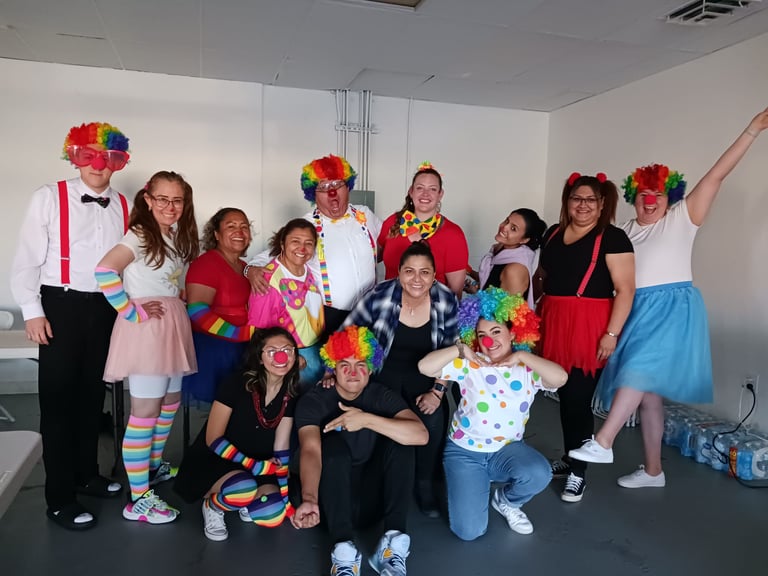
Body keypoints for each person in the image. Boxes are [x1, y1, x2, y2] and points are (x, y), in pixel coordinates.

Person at [568, 108, 768, 488]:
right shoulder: (622, 231)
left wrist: (752, 130)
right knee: (649, 397)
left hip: (672, 308)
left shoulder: (682, 218)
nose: (650, 199)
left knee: (637, 372)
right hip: (633, 309)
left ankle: (604, 440)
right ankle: (654, 471)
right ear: (633, 197)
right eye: (643, 193)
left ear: (669, 196)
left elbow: (717, 174)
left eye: (657, 193)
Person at [10, 121, 132, 530]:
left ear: (118, 161)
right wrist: (32, 310)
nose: (98, 165)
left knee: (90, 397)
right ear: (74, 156)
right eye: (89, 155)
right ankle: (59, 497)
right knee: (59, 403)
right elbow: (27, 255)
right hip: (59, 303)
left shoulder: (124, 204)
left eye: (108, 156)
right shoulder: (48, 197)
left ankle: (86, 474)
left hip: (106, 307)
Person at [418, 287, 567, 541]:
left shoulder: (526, 367)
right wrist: (460, 349)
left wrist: (521, 356)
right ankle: (471, 484)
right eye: (481, 334)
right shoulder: (471, 363)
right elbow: (425, 366)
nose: (489, 341)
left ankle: (506, 501)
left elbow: (560, 378)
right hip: (465, 453)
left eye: (496, 331)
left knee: (539, 472)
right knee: (469, 532)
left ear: (514, 332)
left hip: (506, 450)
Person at [96, 170, 199, 523]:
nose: (171, 207)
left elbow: (167, 279)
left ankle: (151, 469)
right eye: (163, 199)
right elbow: (105, 272)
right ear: (148, 200)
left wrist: (177, 297)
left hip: (170, 324)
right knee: (145, 413)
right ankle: (138, 499)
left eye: (177, 200)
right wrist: (131, 311)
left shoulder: (171, 235)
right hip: (149, 330)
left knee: (169, 403)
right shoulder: (139, 234)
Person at [292, 326, 428, 576]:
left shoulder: (380, 395)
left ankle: (392, 543)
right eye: (345, 364)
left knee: (402, 438)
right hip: (327, 508)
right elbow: (310, 451)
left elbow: (420, 435)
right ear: (332, 367)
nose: (353, 371)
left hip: (371, 505)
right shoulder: (315, 400)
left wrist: (366, 420)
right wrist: (310, 499)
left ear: (371, 367)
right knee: (330, 443)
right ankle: (343, 553)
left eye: (360, 363)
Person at [534, 172, 635, 503]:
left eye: (590, 199)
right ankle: (570, 456)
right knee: (563, 395)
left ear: (602, 203)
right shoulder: (553, 233)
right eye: (577, 198)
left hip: (589, 325)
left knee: (578, 397)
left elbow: (625, 289)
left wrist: (611, 333)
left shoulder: (614, 238)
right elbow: (543, 275)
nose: (583, 205)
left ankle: (579, 472)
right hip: (554, 319)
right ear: (568, 201)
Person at [341, 241, 458, 517]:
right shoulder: (379, 296)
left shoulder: (446, 300)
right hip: (383, 377)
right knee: (381, 430)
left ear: (433, 274)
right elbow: (347, 335)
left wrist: (437, 392)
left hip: (427, 379)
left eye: (424, 272)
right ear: (399, 272)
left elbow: (453, 351)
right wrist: (332, 374)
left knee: (431, 423)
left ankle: (424, 483)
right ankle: (383, 483)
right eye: (409, 271)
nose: (417, 279)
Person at [174, 327, 298, 541]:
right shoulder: (236, 384)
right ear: (260, 358)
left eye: (288, 349)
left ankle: (244, 499)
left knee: (273, 514)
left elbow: (281, 447)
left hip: (260, 464)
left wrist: (286, 500)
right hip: (217, 461)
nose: (281, 356)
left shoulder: (291, 393)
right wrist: (253, 465)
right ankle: (214, 506)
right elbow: (213, 439)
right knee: (242, 488)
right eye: (272, 351)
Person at [248, 155, 382, 336]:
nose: (332, 192)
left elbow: (388, 247)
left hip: (369, 311)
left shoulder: (365, 216)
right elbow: (269, 256)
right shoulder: (305, 225)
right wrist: (251, 270)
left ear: (348, 186)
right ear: (313, 194)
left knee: (366, 361)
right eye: (323, 187)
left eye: (337, 184)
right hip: (329, 315)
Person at [184, 208, 253, 406]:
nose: (239, 232)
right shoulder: (206, 264)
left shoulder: (245, 266)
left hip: (243, 348)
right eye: (231, 227)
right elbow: (197, 312)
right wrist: (238, 334)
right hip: (215, 350)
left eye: (244, 227)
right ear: (216, 234)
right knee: (223, 410)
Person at [247, 218, 324, 389]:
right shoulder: (268, 279)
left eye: (308, 243)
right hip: (292, 361)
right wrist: (291, 357)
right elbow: (260, 331)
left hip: (316, 354)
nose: (302, 248)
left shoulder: (310, 271)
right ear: (282, 243)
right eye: (295, 241)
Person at [378, 162, 469, 298]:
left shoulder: (453, 234)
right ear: (411, 191)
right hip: (389, 305)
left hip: (431, 312)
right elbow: (370, 259)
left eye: (432, 189)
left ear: (440, 194)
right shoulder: (392, 222)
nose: (425, 194)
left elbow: (455, 294)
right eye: (420, 188)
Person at [474, 208, 547, 307]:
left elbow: (505, 315)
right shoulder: (500, 251)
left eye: (513, 228)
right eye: (506, 221)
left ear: (524, 240)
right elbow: (493, 281)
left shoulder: (514, 270)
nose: (504, 227)